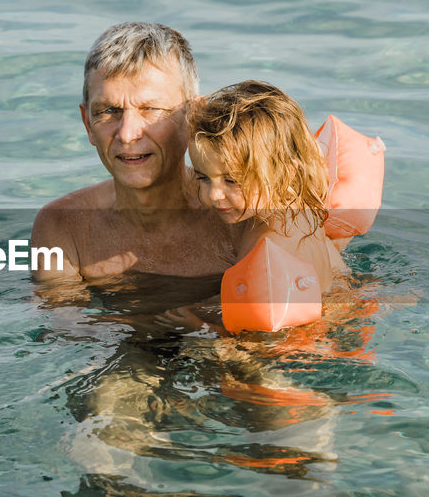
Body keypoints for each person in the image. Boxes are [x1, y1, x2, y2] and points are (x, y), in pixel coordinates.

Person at [30, 22, 242, 285]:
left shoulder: (239, 217)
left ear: (193, 116)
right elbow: (65, 324)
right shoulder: (64, 227)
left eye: (150, 109)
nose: (127, 134)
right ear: (88, 124)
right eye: (108, 111)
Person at [188, 79, 346, 296]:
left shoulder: (272, 249)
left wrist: (190, 317)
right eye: (204, 178)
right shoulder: (299, 212)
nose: (213, 195)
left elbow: (254, 315)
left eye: (232, 181)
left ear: (285, 174)